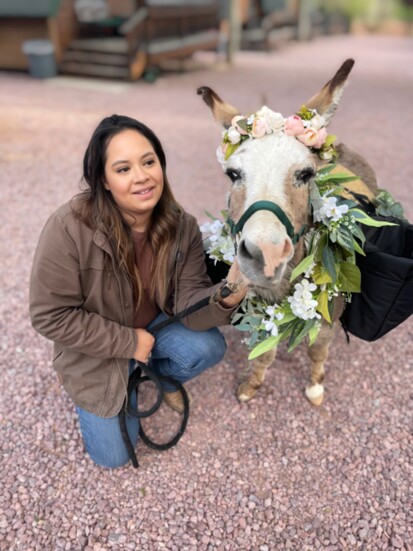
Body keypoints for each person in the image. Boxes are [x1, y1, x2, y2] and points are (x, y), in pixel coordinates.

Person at [29, 114, 248, 469]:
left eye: (148, 162)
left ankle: (146, 372)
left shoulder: (182, 226)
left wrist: (228, 294)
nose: (142, 176)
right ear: (104, 179)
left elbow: (189, 298)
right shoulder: (69, 227)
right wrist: (128, 343)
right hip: (96, 350)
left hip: (153, 328)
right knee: (113, 458)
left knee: (208, 347)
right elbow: (49, 315)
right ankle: (125, 373)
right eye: (123, 168)